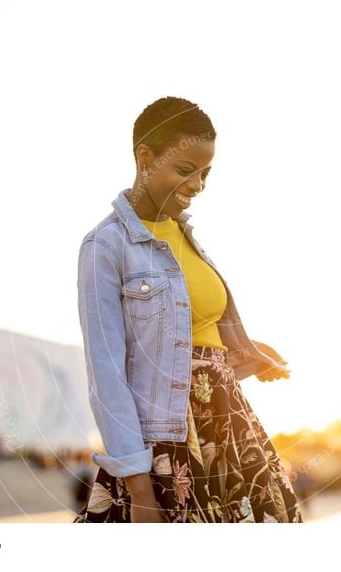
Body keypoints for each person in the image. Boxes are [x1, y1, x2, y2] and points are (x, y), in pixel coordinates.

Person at [73, 96, 303, 523]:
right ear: (145, 157)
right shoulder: (106, 246)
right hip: (169, 443)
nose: (197, 185)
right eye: (185, 170)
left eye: (205, 174)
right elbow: (107, 374)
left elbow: (191, 339)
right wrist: (139, 487)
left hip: (230, 430)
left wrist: (248, 353)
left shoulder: (189, 238)